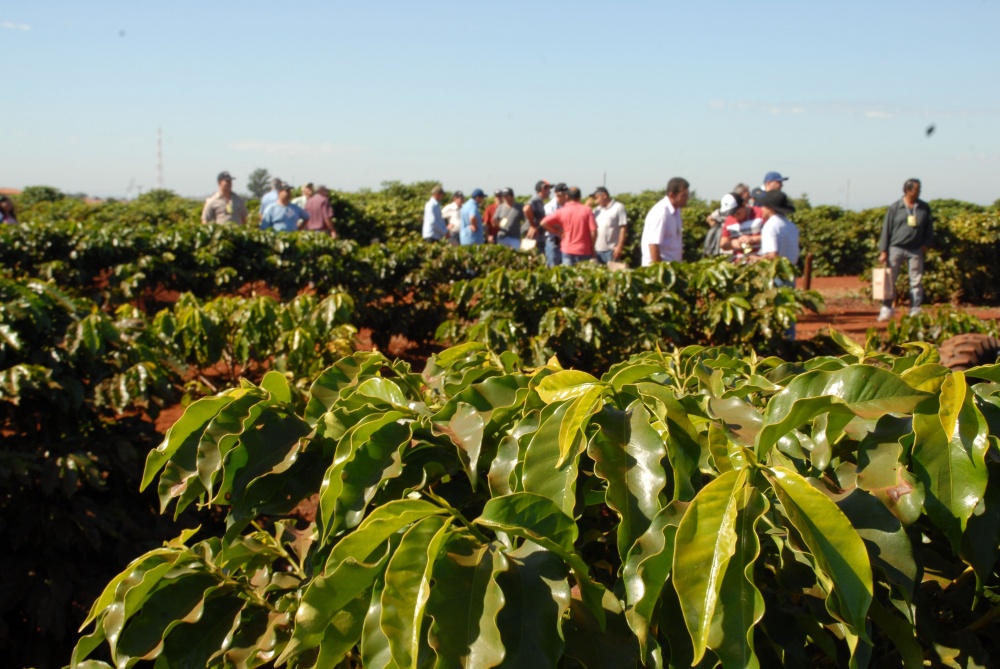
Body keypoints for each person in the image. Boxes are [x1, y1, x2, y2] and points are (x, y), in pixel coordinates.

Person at [877, 178, 933, 321]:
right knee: (890, 280)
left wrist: (925, 244)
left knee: (916, 281)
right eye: (916, 189)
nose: (919, 192)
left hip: (915, 250)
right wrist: (883, 251)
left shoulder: (924, 208)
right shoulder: (895, 208)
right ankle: (887, 308)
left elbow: (929, 229)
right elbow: (886, 229)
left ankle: (915, 308)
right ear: (908, 190)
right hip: (896, 248)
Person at [756, 190, 800, 339]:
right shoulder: (791, 226)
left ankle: (774, 346)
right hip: (790, 274)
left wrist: (754, 259)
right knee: (788, 312)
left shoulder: (770, 226)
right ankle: (790, 343)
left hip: (776, 277)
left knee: (772, 312)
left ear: (770, 208)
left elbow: (772, 255)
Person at [541, 187, 597, 265]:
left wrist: (557, 232)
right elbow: (593, 231)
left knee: (568, 274)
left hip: (567, 250)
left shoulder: (561, 211)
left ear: (567, 196)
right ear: (580, 197)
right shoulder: (587, 210)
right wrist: (592, 247)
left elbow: (543, 223)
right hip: (584, 250)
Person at [641, 177, 690, 266]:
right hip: (659, 269)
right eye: (683, 195)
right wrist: (659, 270)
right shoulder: (661, 213)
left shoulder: (677, 211)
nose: (687, 198)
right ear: (672, 195)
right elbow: (653, 245)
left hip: (672, 267)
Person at [719, 193, 765, 261]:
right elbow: (723, 244)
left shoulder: (760, 213)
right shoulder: (729, 220)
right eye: (732, 214)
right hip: (739, 263)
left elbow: (773, 236)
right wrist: (732, 244)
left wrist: (752, 239)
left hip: (760, 261)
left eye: (737, 213)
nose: (735, 216)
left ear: (743, 205)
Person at [591, 187, 628, 264]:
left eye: (597, 198)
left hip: (611, 250)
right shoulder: (597, 210)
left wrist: (619, 247)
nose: (596, 201)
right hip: (597, 250)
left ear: (604, 195)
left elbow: (623, 228)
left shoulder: (618, 207)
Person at [540, 183, 569, 266]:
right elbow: (546, 223)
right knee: (553, 264)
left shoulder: (567, 205)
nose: (566, 196)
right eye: (563, 194)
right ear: (557, 194)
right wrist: (558, 232)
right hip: (554, 240)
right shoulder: (550, 206)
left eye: (566, 194)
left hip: (565, 240)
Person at [523, 180, 551, 253]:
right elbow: (526, 209)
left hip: (539, 237)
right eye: (548, 189)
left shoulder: (540, 201)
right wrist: (532, 225)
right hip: (533, 236)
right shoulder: (536, 200)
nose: (550, 192)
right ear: (543, 189)